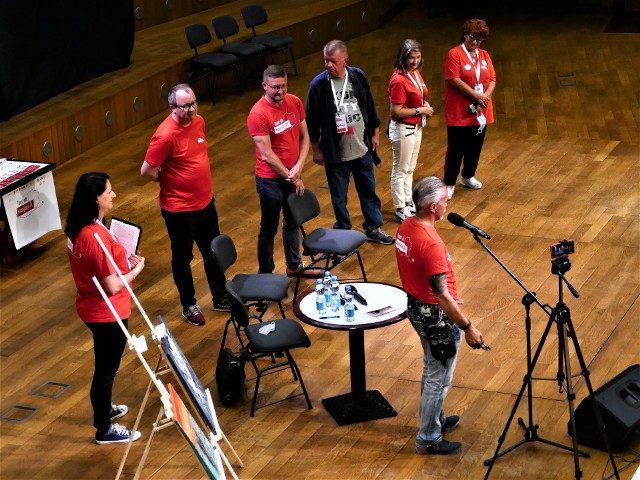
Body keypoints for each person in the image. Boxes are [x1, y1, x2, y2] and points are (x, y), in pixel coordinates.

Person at [395, 176, 485, 455]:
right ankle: (428, 438)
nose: (448, 205)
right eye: (446, 201)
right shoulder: (431, 243)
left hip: (416, 307)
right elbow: (441, 294)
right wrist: (467, 326)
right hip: (437, 318)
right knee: (438, 377)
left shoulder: (406, 227)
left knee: (431, 369)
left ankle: (436, 420)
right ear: (433, 207)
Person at [65, 172, 145, 445]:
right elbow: (111, 285)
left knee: (104, 369)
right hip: (108, 313)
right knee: (106, 371)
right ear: (95, 199)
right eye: (108, 191)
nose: (113, 195)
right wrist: (136, 270)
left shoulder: (77, 229)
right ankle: (104, 428)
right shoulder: (95, 236)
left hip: (90, 306)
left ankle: (105, 407)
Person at [141, 83, 228, 327]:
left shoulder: (199, 121)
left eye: (193, 103)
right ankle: (189, 304)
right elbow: (146, 170)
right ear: (172, 108)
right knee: (183, 257)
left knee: (212, 251)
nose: (191, 109)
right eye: (185, 106)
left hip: (205, 203)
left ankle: (220, 297)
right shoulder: (165, 135)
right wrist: (166, 179)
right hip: (179, 210)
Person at [306, 39, 394, 245]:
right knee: (339, 197)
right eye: (326, 60)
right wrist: (316, 148)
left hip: (362, 147)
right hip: (336, 153)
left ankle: (373, 228)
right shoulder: (318, 85)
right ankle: (343, 230)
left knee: (368, 191)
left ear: (345, 60)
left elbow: (369, 105)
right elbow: (311, 120)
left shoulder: (357, 76)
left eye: (333, 61)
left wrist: (375, 132)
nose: (328, 65)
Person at [247, 65, 322, 277]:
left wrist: (298, 168)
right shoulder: (258, 114)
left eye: (283, 86)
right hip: (270, 180)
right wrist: (292, 176)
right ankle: (266, 275)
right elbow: (267, 155)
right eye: (275, 87)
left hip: (292, 174)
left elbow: (304, 137)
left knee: (293, 221)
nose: (280, 91)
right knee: (268, 228)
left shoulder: (294, 101)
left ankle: (294, 265)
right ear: (265, 86)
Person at [443, 19, 496, 200]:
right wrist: (477, 96)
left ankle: (468, 176)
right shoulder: (454, 54)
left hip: (481, 110)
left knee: (475, 146)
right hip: (460, 111)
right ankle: (449, 183)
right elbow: (453, 80)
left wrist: (485, 97)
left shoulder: (485, 55)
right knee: (456, 148)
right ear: (465, 34)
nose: (475, 42)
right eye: (472, 37)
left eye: (479, 39)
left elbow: (492, 79)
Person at [388, 39, 434, 223]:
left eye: (417, 57)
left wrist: (424, 104)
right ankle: (400, 208)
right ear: (403, 57)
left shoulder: (415, 74)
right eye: (411, 58)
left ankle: (407, 201)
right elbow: (395, 111)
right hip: (403, 129)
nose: (415, 61)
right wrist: (420, 110)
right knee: (400, 169)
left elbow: (418, 97)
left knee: (410, 168)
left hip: (415, 127)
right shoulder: (399, 80)